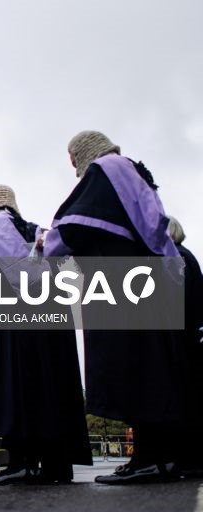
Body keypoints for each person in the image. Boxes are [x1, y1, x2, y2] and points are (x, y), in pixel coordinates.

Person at [43, 130, 185, 484]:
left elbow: (72, 223)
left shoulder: (106, 169)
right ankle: (156, 458)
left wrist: (48, 241)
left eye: (74, 157)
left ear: (85, 152)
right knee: (148, 367)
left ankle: (148, 459)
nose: (74, 166)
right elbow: (154, 227)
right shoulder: (131, 170)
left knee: (132, 367)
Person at [0, 185, 91, 485]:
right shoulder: (36, 230)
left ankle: (21, 462)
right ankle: (57, 465)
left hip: (9, 322)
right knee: (47, 389)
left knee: (13, 388)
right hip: (50, 323)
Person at [166, 217, 203, 475]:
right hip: (191, 338)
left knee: (185, 402)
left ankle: (189, 461)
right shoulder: (186, 256)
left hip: (183, 341)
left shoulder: (176, 258)